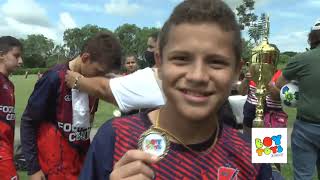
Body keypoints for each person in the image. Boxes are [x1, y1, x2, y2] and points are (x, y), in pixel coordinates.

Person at [79, 0, 271, 179]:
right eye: (181, 59)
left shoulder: (254, 157)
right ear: (160, 63)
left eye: (216, 62)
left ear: (236, 71)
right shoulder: (114, 138)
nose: (197, 76)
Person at [20, 32, 122, 180]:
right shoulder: (54, 78)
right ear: (85, 58)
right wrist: (33, 168)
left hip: (81, 166)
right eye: (99, 72)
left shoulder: (93, 83)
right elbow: (28, 122)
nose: (100, 78)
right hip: (53, 168)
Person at [276, 19, 320, 180]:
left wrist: (297, 83)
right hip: (306, 127)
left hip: (306, 128)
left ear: (312, 37)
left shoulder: (301, 59)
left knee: (303, 176)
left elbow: (279, 84)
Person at [0, 36, 23, 180]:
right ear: (1, 55)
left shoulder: (9, 85)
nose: (21, 61)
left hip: (7, 151)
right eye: (16, 56)